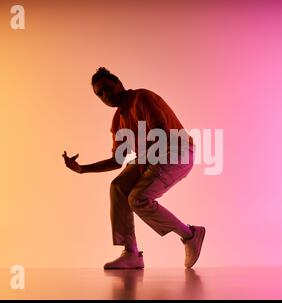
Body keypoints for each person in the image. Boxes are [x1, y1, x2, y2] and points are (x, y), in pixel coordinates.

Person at [62, 67, 205, 269]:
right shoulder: (117, 121)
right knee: (118, 186)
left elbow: (160, 131)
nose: (105, 96)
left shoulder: (141, 98)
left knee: (137, 199)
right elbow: (118, 160)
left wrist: (143, 159)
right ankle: (131, 252)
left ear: (119, 83)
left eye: (107, 88)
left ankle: (190, 235)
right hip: (150, 157)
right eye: (99, 94)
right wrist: (82, 169)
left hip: (177, 151)